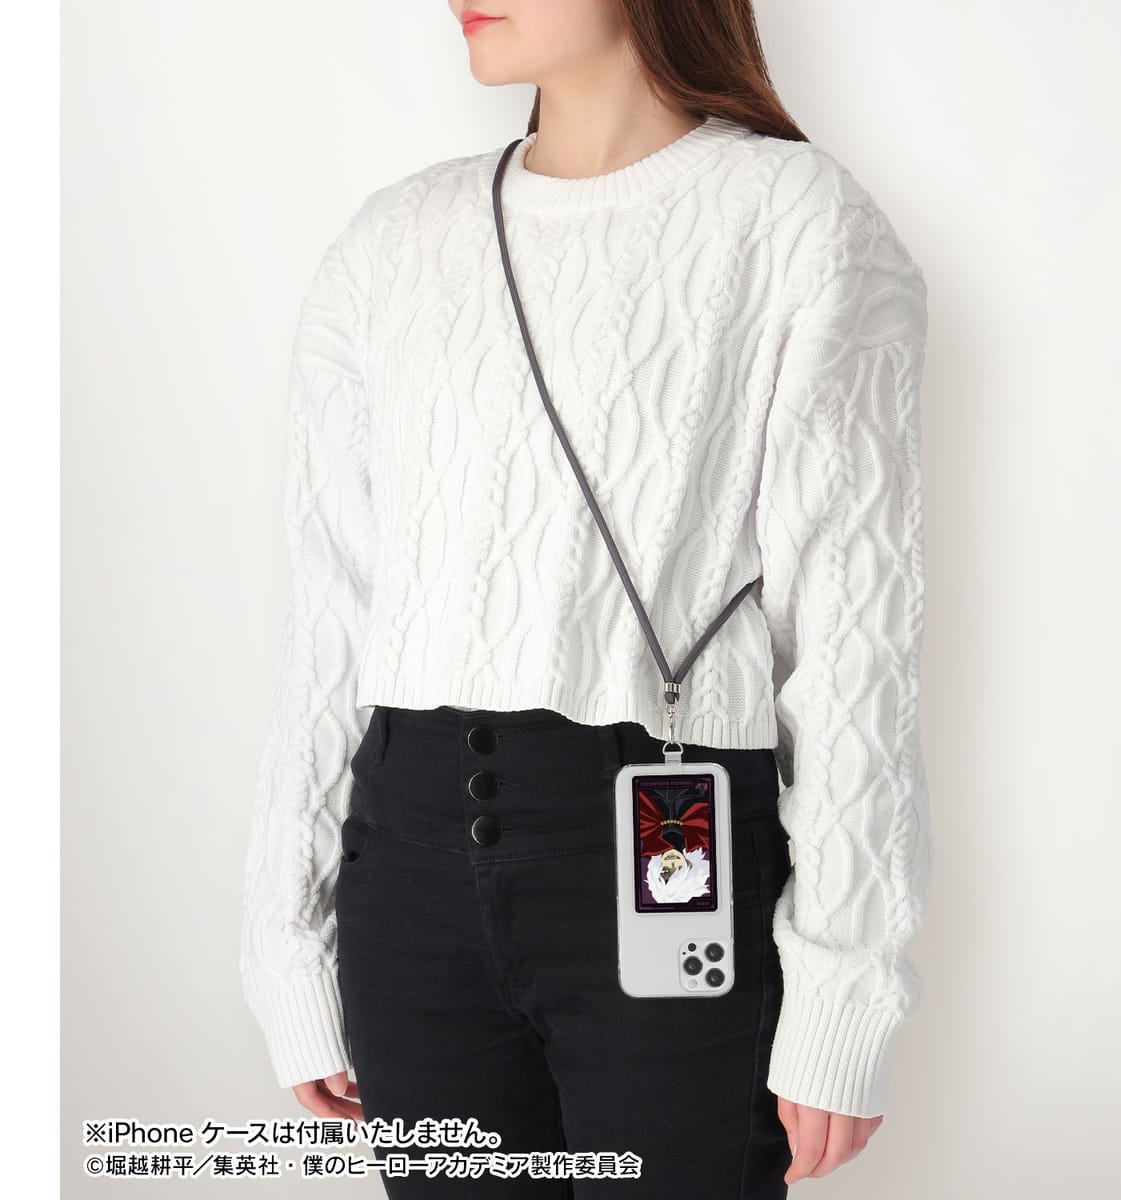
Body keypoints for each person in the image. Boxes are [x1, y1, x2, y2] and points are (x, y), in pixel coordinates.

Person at [238, 2, 932, 1195]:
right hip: (404, 870)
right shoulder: (392, 241)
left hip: (664, 847)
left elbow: (856, 629)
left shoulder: (796, 219)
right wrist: (285, 942)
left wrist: (845, 984)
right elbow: (334, 617)